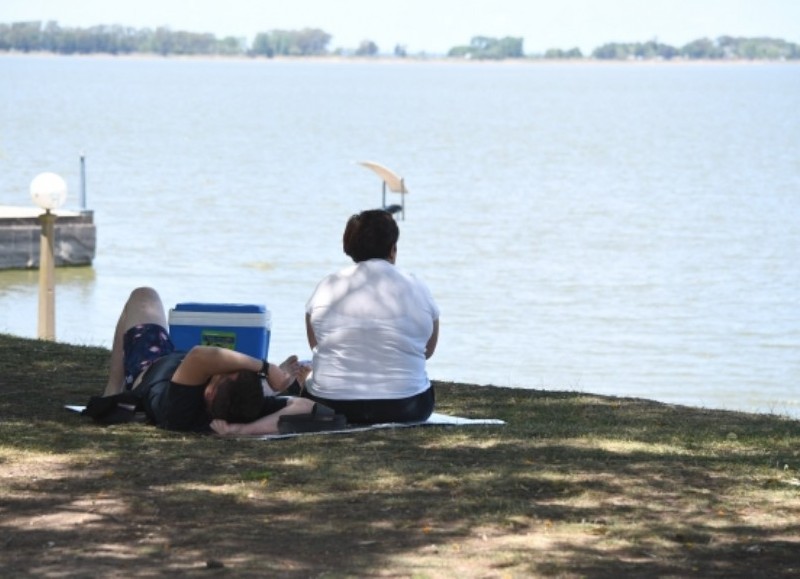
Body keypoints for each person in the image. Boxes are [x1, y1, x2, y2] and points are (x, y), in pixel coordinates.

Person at [102, 286, 315, 435]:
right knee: (258, 388)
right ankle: (275, 385)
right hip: (178, 363)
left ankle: (113, 389)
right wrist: (243, 430)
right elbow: (306, 406)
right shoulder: (248, 408)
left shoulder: (182, 411)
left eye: (219, 375)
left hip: (152, 365)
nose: (216, 372)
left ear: (209, 392)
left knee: (143, 295)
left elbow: (200, 355)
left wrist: (266, 367)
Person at [303, 209, 440, 424]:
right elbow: (427, 351)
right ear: (393, 249)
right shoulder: (416, 286)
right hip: (407, 406)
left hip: (332, 406)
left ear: (349, 247)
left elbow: (316, 346)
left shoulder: (327, 286)